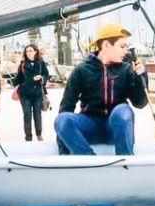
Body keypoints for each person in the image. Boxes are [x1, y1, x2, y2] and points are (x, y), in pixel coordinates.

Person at [55, 22, 148, 156]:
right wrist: (63, 147)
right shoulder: (82, 69)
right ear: (105, 45)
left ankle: (126, 162)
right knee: (61, 119)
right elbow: (66, 106)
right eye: (122, 46)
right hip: (89, 125)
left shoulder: (127, 68)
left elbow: (140, 103)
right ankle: (89, 160)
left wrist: (142, 76)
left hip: (114, 126)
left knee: (123, 110)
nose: (126, 51)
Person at [13, 44, 50, 141]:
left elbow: (46, 75)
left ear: (35, 51)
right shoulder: (23, 64)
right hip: (25, 94)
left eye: (30, 50)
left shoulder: (41, 63)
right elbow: (18, 79)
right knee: (27, 115)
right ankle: (28, 137)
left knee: (37, 114)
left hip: (38, 93)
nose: (28, 53)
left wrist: (42, 78)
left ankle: (39, 134)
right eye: (27, 51)